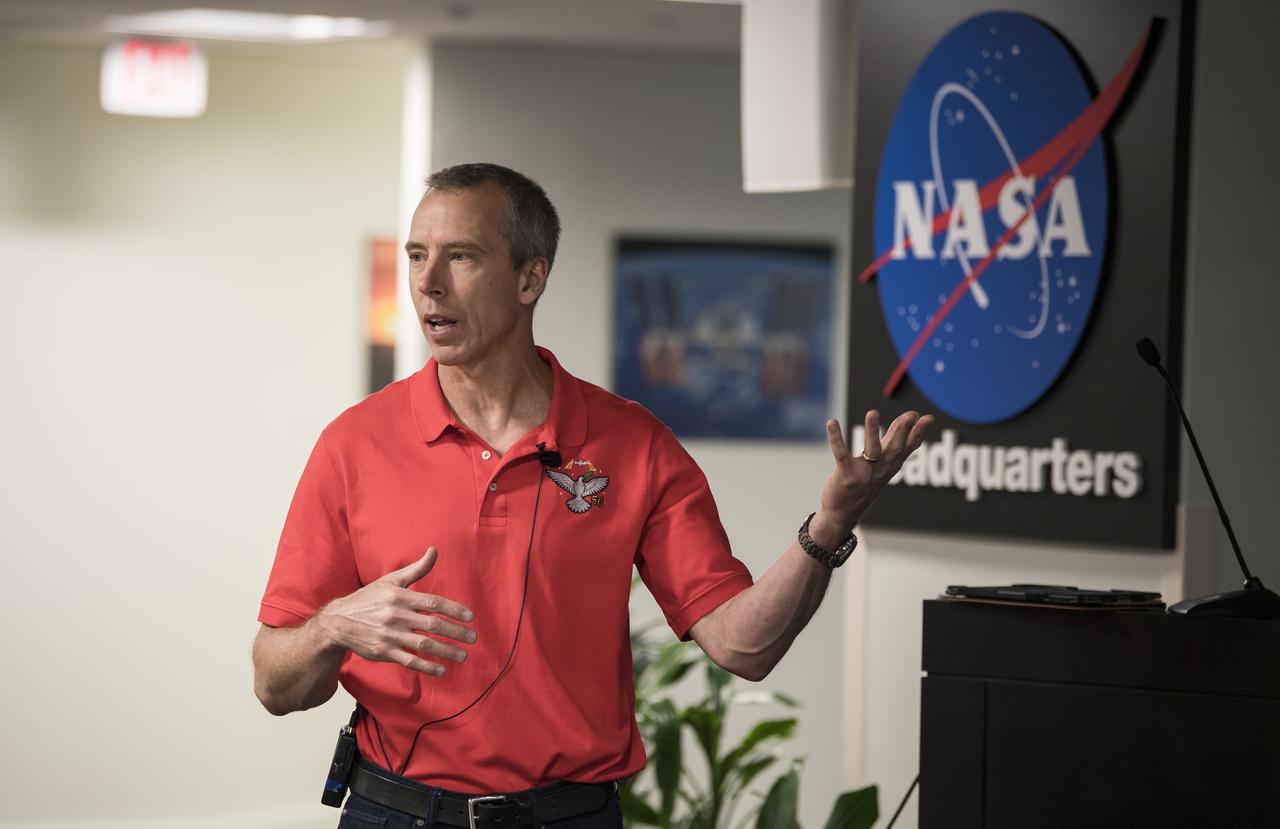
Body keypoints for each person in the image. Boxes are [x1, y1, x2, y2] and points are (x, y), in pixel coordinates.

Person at [252, 163, 932, 829]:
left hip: (570, 814)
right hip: (395, 810)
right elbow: (275, 682)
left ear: (530, 277)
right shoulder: (354, 443)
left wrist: (832, 521)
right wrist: (334, 624)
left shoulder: (633, 444)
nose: (427, 284)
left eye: (460, 257)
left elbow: (742, 646)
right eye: (417, 255)